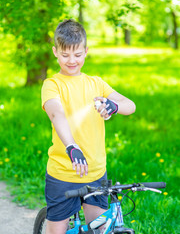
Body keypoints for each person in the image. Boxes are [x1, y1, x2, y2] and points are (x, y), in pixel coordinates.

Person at [41, 19, 136, 234]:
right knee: (57, 230)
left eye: (77, 54)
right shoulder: (52, 84)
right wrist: (71, 146)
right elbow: (57, 114)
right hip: (63, 175)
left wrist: (113, 105)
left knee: (101, 228)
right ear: (56, 52)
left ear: (86, 51)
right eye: (65, 55)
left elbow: (130, 105)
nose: (72, 60)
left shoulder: (96, 83)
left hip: (95, 173)